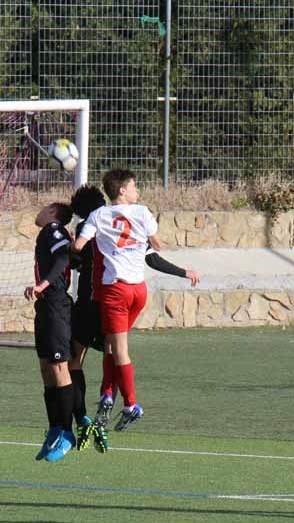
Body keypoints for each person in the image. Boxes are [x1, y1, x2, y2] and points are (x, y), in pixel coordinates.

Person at [69, 184, 200, 451]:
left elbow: (73, 259)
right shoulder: (126, 223)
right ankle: (106, 403)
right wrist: (183, 272)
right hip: (115, 297)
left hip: (89, 302)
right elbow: (152, 259)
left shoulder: (87, 227)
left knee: (75, 360)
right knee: (115, 352)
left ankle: (81, 417)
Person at [72, 169, 160, 432]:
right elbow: (157, 244)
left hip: (115, 290)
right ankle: (107, 394)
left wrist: (76, 249)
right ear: (122, 190)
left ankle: (130, 404)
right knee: (112, 345)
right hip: (139, 290)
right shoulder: (143, 212)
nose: (137, 191)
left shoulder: (98, 216)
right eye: (134, 186)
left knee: (118, 349)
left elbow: (78, 247)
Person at [24, 202, 77, 462]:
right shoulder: (46, 234)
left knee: (59, 367)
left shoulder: (54, 229)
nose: (39, 212)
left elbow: (64, 258)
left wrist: (43, 284)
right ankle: (54, 427)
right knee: (46, 367)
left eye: (43, 208)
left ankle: (67, 433)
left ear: (53, 213)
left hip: (56, 305)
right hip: (45, 306)